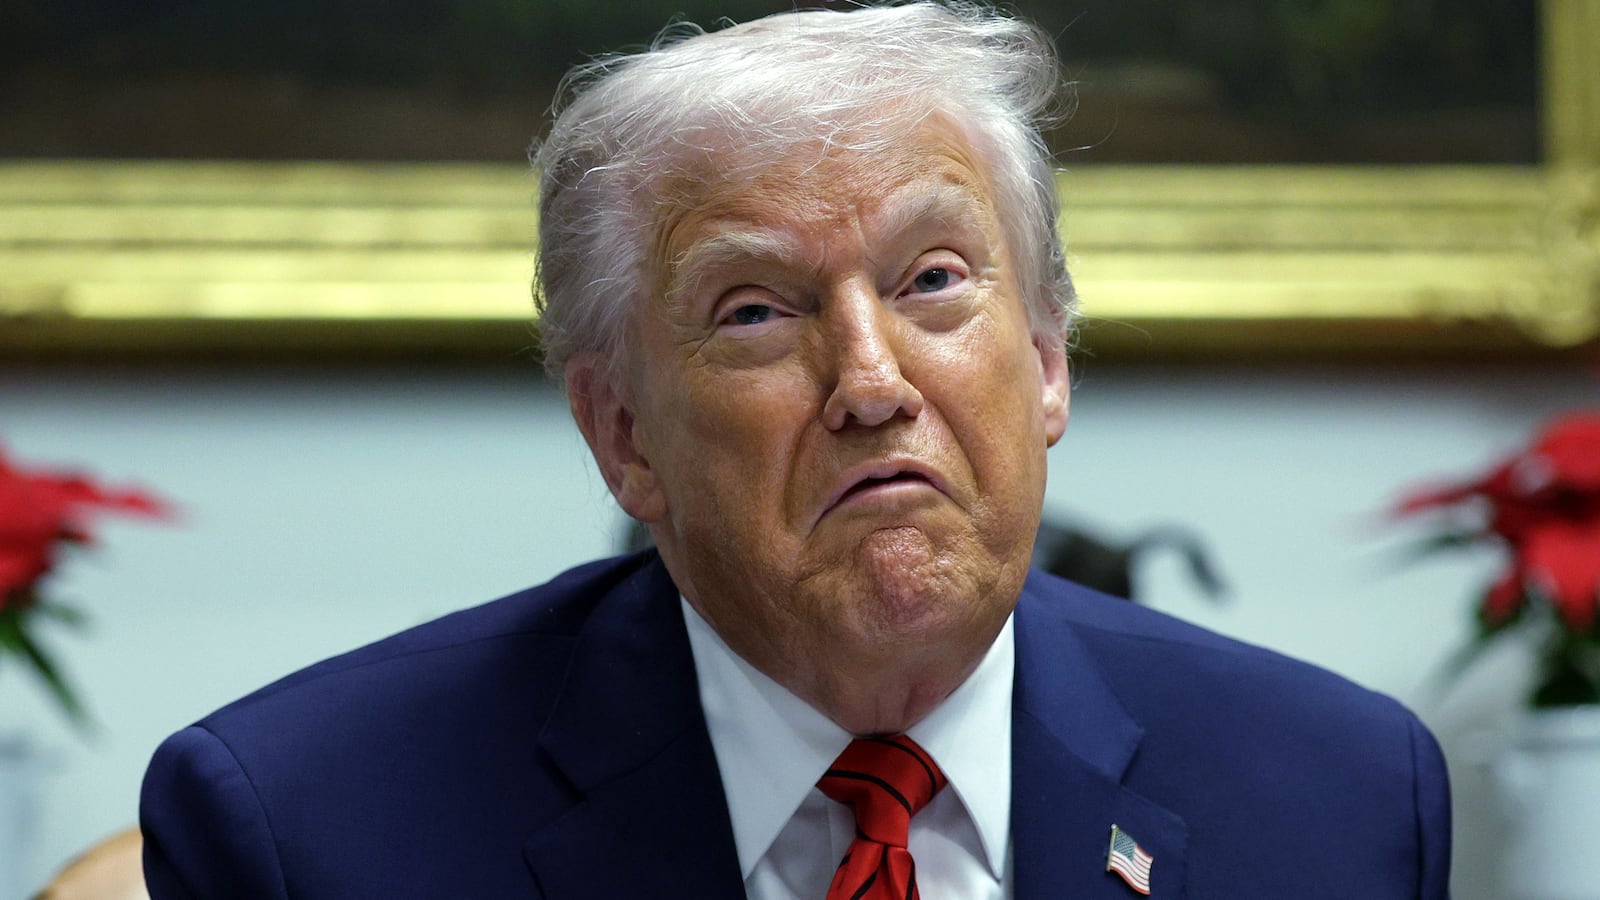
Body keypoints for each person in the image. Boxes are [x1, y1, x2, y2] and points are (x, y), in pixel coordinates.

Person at [140, 4, 1452, 898]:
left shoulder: (1339, 800)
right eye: (757, 310)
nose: (872, 384)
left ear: (1048, 359)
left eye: (934, 279)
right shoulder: (305, 833)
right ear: (622, 433)